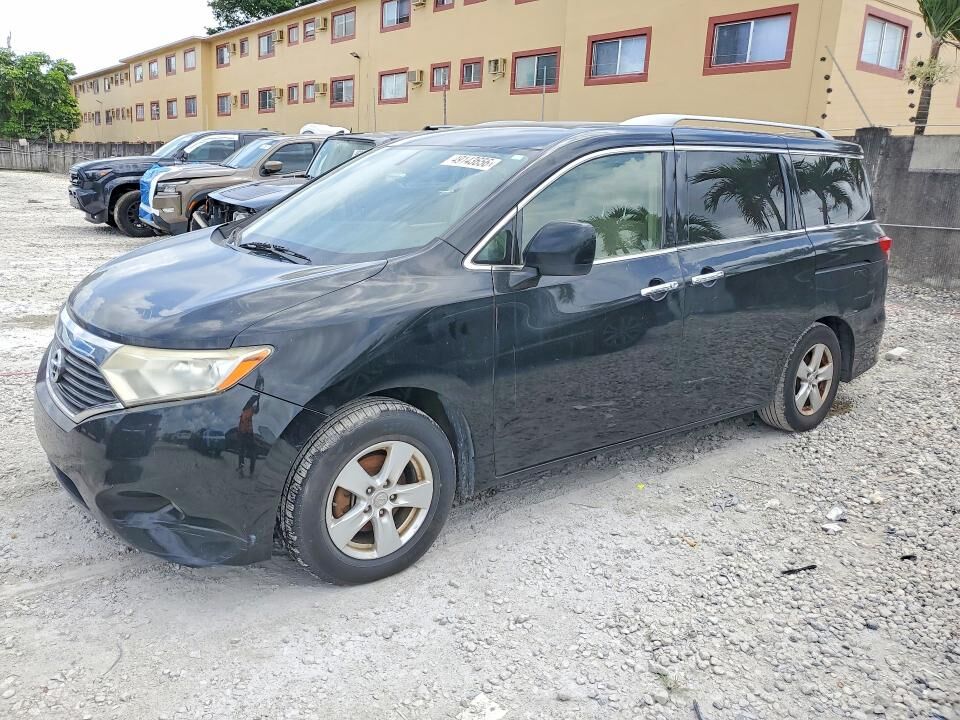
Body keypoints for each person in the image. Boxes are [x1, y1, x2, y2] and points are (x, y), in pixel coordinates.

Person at [237, 394, 259, 476]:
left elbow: (257, 410)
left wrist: (258, 399)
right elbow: (256, 410)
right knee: (244, 453)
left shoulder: (248, 410)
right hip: (245, 435)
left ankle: (249, 471)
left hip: (247, 435)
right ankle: (244, 471)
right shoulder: (246, 411)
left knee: (247, 453)